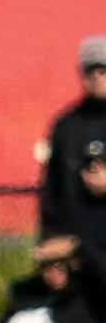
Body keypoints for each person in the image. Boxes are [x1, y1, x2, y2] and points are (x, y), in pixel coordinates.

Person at [40, 38, 106, 248]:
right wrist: (51, 239)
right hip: (77, 247)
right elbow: (52, 189)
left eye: (103, 71)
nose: (98, 78)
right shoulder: (67, 126)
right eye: (92, 71)